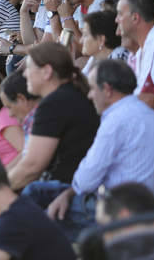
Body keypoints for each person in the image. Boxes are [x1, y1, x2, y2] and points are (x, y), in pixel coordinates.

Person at [26, 60, 154, 240]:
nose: (89, 95)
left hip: (120, 215)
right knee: (37, 193)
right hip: (142, 207)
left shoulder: (117, 120)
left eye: (93, 88)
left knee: (34, 210)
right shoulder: (144, 113)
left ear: (108, 90)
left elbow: (87, 179)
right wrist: (69, 192)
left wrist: (68, 194)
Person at [8, 42, 99, 191]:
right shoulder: (71, 93)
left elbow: (31, 167)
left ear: (47, 71)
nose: (24, 74)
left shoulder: (54, 104)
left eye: (29, 68)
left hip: (64, 189)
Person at [79, 10, 128, 76]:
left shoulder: (118, 63)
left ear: (101, 40)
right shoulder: (94, 58)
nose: (81, 40)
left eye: (85, 35)